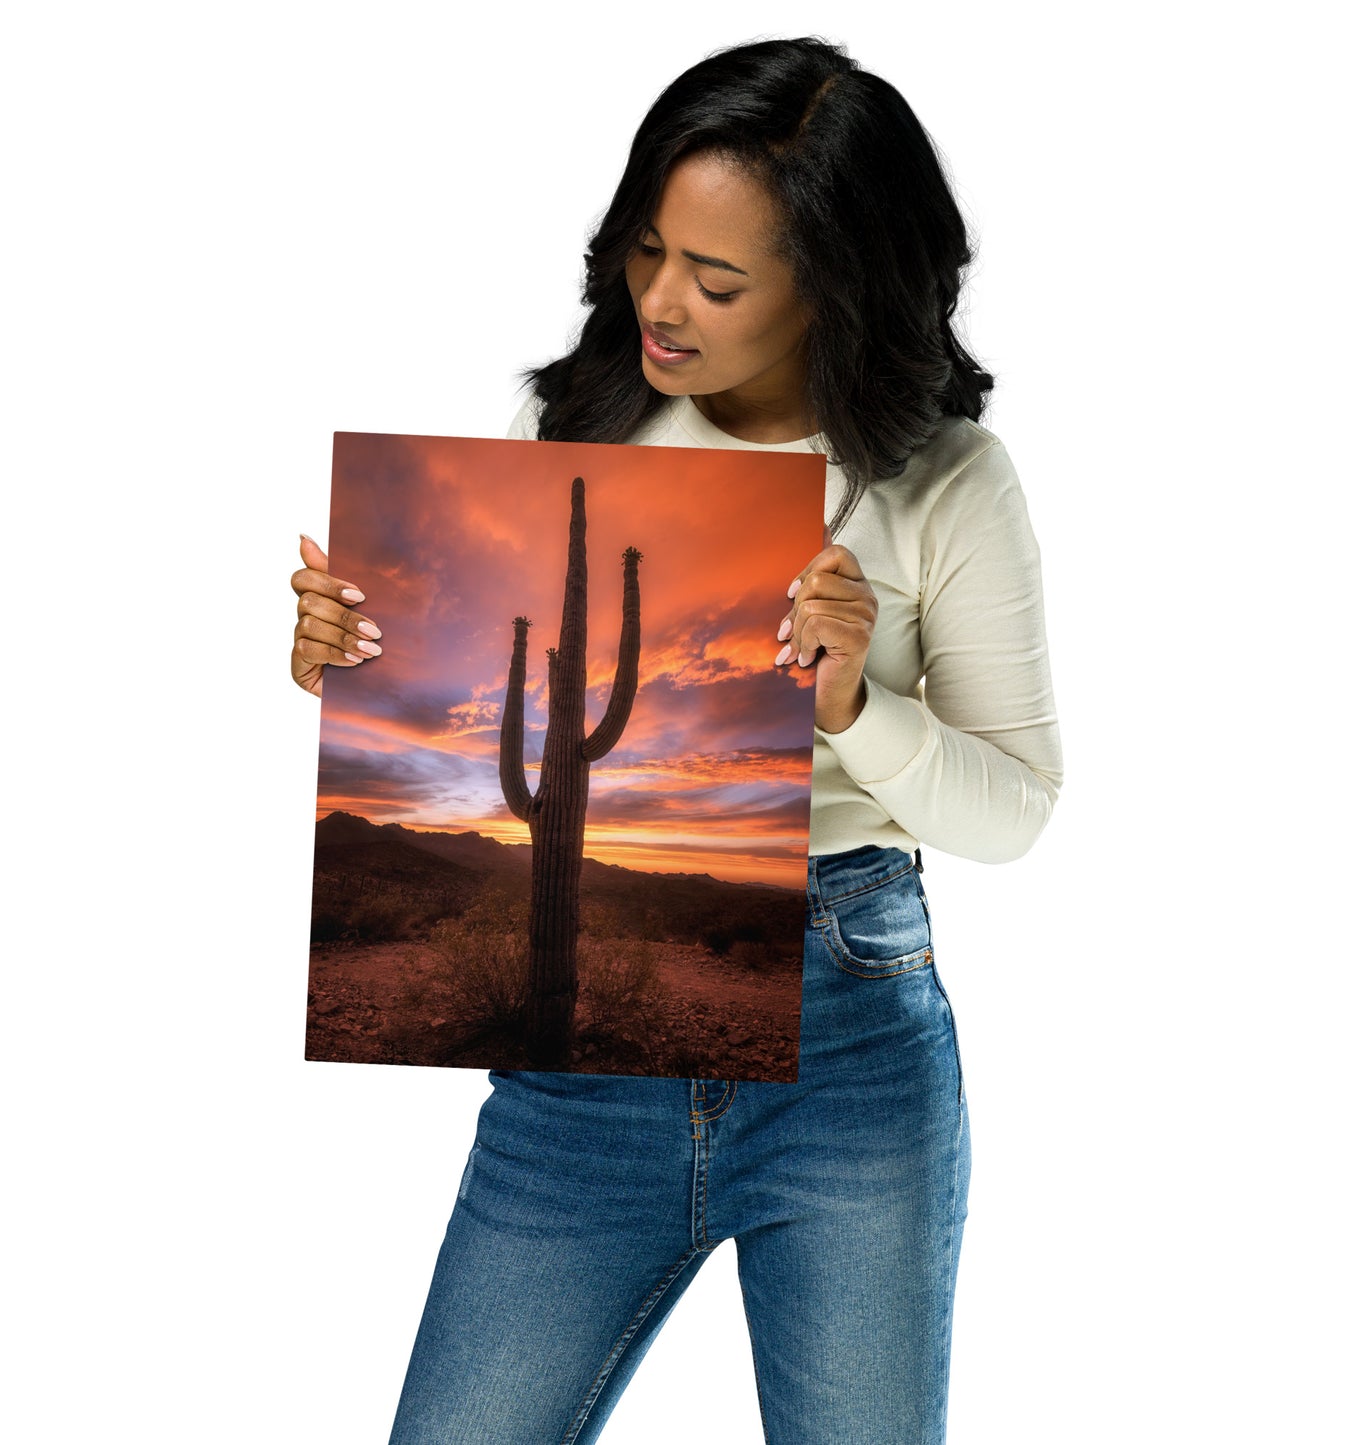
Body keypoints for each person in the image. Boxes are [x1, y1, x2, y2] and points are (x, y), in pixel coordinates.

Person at [290, 37, 1062, 1444]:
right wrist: (353, 659)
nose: (659, 302)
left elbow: (1013, 809)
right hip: (573, 1078)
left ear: (833, 279)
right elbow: (476, 718)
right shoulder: (568, 422)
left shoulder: (946, 480)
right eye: (647, 251)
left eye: (715, 279)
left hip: (850, 1049)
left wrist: (849, 706)